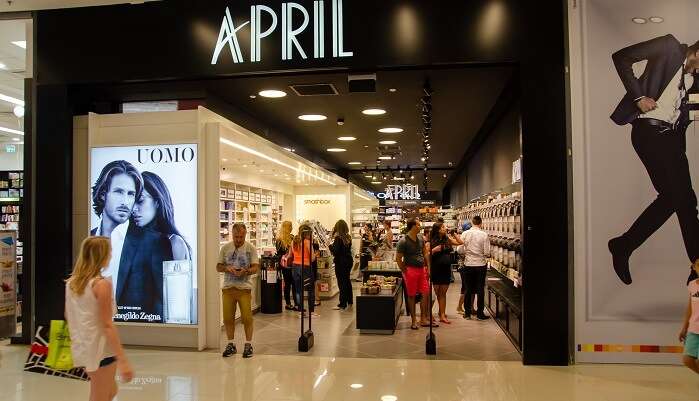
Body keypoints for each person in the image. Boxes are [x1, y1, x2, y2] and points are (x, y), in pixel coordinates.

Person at [609, 36, 699, 285]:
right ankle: (698, 266)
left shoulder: (694, 80)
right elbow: (621, 57)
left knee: (674, 198)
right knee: (686, 201)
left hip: (669, 138)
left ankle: (623, 245)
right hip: (648, 131)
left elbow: (689, 113)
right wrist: (638, 97)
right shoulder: (669, 47)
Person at [65, 237, 134, 401]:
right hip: (101, 348)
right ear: (101, 255)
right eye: (109, 251)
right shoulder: (102, 285)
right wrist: (123, 359)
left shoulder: (71, 283)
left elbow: (69, 316)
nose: (111, 254)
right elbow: (107, 324)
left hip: (84, 346)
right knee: (102, 394)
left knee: (109, 391)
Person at [90, 160, 143, 294]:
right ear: (103, 194)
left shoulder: (149, 242)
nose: (125, 202)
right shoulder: (86, 239)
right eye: (119, 192)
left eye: (131, 194)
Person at [217, 223, 259, 358]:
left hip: (244, 288)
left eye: (241, 237)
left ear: (245, 235)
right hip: (228, 288)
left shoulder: (250, 248)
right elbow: (218, 266)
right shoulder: (225, 248)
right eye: (236, 237)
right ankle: (231, 344)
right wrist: (227, 268)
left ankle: (248, 344)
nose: (239, 239)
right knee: (228, 318)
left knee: (247, 318)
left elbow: (256, 267)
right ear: (232, 234)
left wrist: (246, 271)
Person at [132, 171, 192, 261]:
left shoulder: (174, 243)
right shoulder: (133, 243)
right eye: (132, 202)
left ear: (157, 202)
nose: (133, 209)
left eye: (140, 200)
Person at [396, 218, 432, 330]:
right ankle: (413, 321)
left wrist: (428, 266)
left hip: (422, 269)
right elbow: (398, 258)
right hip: (410, 270)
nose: (420, 226)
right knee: (411, 295)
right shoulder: (403, 241)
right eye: (418, 224)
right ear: (412, 226)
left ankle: (423, 318)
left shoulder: (420, 238)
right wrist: (405, 270)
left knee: (425, 293)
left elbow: (425, 252)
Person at [459, 216, 491, 320]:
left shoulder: (465, 234)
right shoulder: (484, 234)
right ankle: (480, 314)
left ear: (472, 223)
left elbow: (460, 250)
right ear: (481, 223)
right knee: (480, 289)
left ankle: (467, 313)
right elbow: (487, 252)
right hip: (480, 264)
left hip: (468, 264)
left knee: (468, 289)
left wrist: (467, 253)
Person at [430, 222, 461, 324]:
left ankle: (442, 314)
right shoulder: (431, 240)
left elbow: (460, 242)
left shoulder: (447, 239)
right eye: (443, 227)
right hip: (435, 268)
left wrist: (453, 233)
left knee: (443, 293)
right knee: (436, 293)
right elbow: (426, 254)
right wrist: (433, 250)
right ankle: (429, 313)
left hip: (446, 269)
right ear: (438, 229)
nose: (445, 228)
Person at [292, 224, 317, 316]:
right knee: (310, 289)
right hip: (305, 267)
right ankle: (311, 312)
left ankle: (300, 311)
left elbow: (291, 255)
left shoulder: (294, 241)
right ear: (307, 233)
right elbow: (313, 258)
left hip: (295, 267)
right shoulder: (307, 242)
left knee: (298, 290)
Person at [679, 258, 699, 374]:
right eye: (698, 265)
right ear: (694, 267)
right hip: (693, 329)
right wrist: (684, 328)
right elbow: (690, 308)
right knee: (687, 360)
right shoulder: (692, 285)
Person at [329, 219, 354, 310]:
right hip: (348, 261)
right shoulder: (348, 237)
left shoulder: (338, 238)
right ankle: (349, 300)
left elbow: (335, 252)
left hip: (341, 262)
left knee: (341, 282)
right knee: (347, 280)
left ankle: (342, 303)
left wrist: (329, 246)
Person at [275, 221, 296, 311]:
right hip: (289, 264)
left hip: (288, 264)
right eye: (290, 226)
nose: (291, 228)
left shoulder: (283, 239)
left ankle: (292, 303)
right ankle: (292, 303)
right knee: (291, 284)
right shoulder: (285, 239)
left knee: (290, 284)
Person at [456, 222, 472, 314]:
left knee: (468, 287)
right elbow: (459, 250)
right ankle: (459, 307)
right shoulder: (463, 238)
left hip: (467, 265)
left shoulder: (465, 237)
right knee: (465, 287)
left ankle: (469, 307)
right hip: (463, 266)